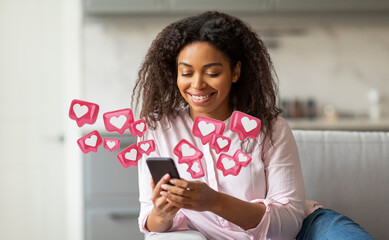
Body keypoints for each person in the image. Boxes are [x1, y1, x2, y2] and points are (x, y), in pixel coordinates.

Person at [131, 11, 375, 240]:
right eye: (186, 73)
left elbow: (290, 223)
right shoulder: (157, 129)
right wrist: (163, 213)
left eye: (212, 73)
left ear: (235, 72)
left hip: (308, 229)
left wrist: (214, 201)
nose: (197, 85)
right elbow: (150, 221)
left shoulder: (270, 128)